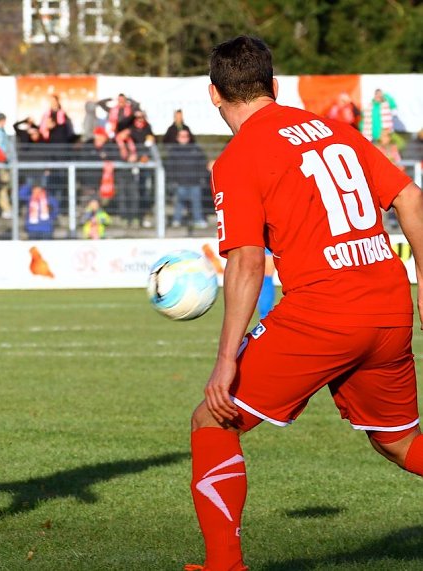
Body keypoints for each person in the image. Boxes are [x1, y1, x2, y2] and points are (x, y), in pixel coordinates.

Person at [187, 35, 423, 571]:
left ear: (213, 94)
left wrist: (225, 361)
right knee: (397, 441)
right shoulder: (334, 129)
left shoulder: (237, 157)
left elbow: (247, 263)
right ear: (274, 85)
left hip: (324, 311)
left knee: (212, 420)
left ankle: (224, 566)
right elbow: (411, 198)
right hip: (389, 305)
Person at [164, 129, 209, 228]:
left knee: (196, 202)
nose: (184, 138)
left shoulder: (196, 149)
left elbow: (202, 164)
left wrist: (202, 178)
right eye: (181, 136)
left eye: (186, 136)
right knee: (179, 203)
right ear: (177, 138)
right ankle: (177, 220)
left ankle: (198, 220)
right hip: (179, 182)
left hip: (195, 182)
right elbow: (170, 167)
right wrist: (172, 180)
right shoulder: (173, 151)